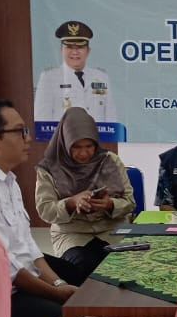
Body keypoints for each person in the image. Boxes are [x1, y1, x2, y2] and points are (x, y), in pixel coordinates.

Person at [0, 99, 84, 317]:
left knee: (84, 283)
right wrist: (58, 294)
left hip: (27, 279)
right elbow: (7, 268)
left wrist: (59, 283)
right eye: (20, 131)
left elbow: (28, 247)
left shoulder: (8, 180)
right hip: (3, 299)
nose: (27, 138)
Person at [34, 107, 136, 275]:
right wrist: (71, 203)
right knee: (82, 267)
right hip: (73, 234)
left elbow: (130, 202)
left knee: (124, 264)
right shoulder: (49, 168)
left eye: (89, 146)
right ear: (65, 142)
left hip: (112, 230)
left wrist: (109, 204)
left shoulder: (109, 161)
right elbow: (45, 211)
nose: (83, 153)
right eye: (76, 147)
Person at [34, 20, 117, 124]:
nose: (74, 52)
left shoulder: (101, 77)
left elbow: (111, 120)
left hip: (97, 139)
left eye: (80, 47)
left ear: (88, 50)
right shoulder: (49, 78)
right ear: (61, 49)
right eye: (69, 47)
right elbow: (42, 122)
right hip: (64, 140)